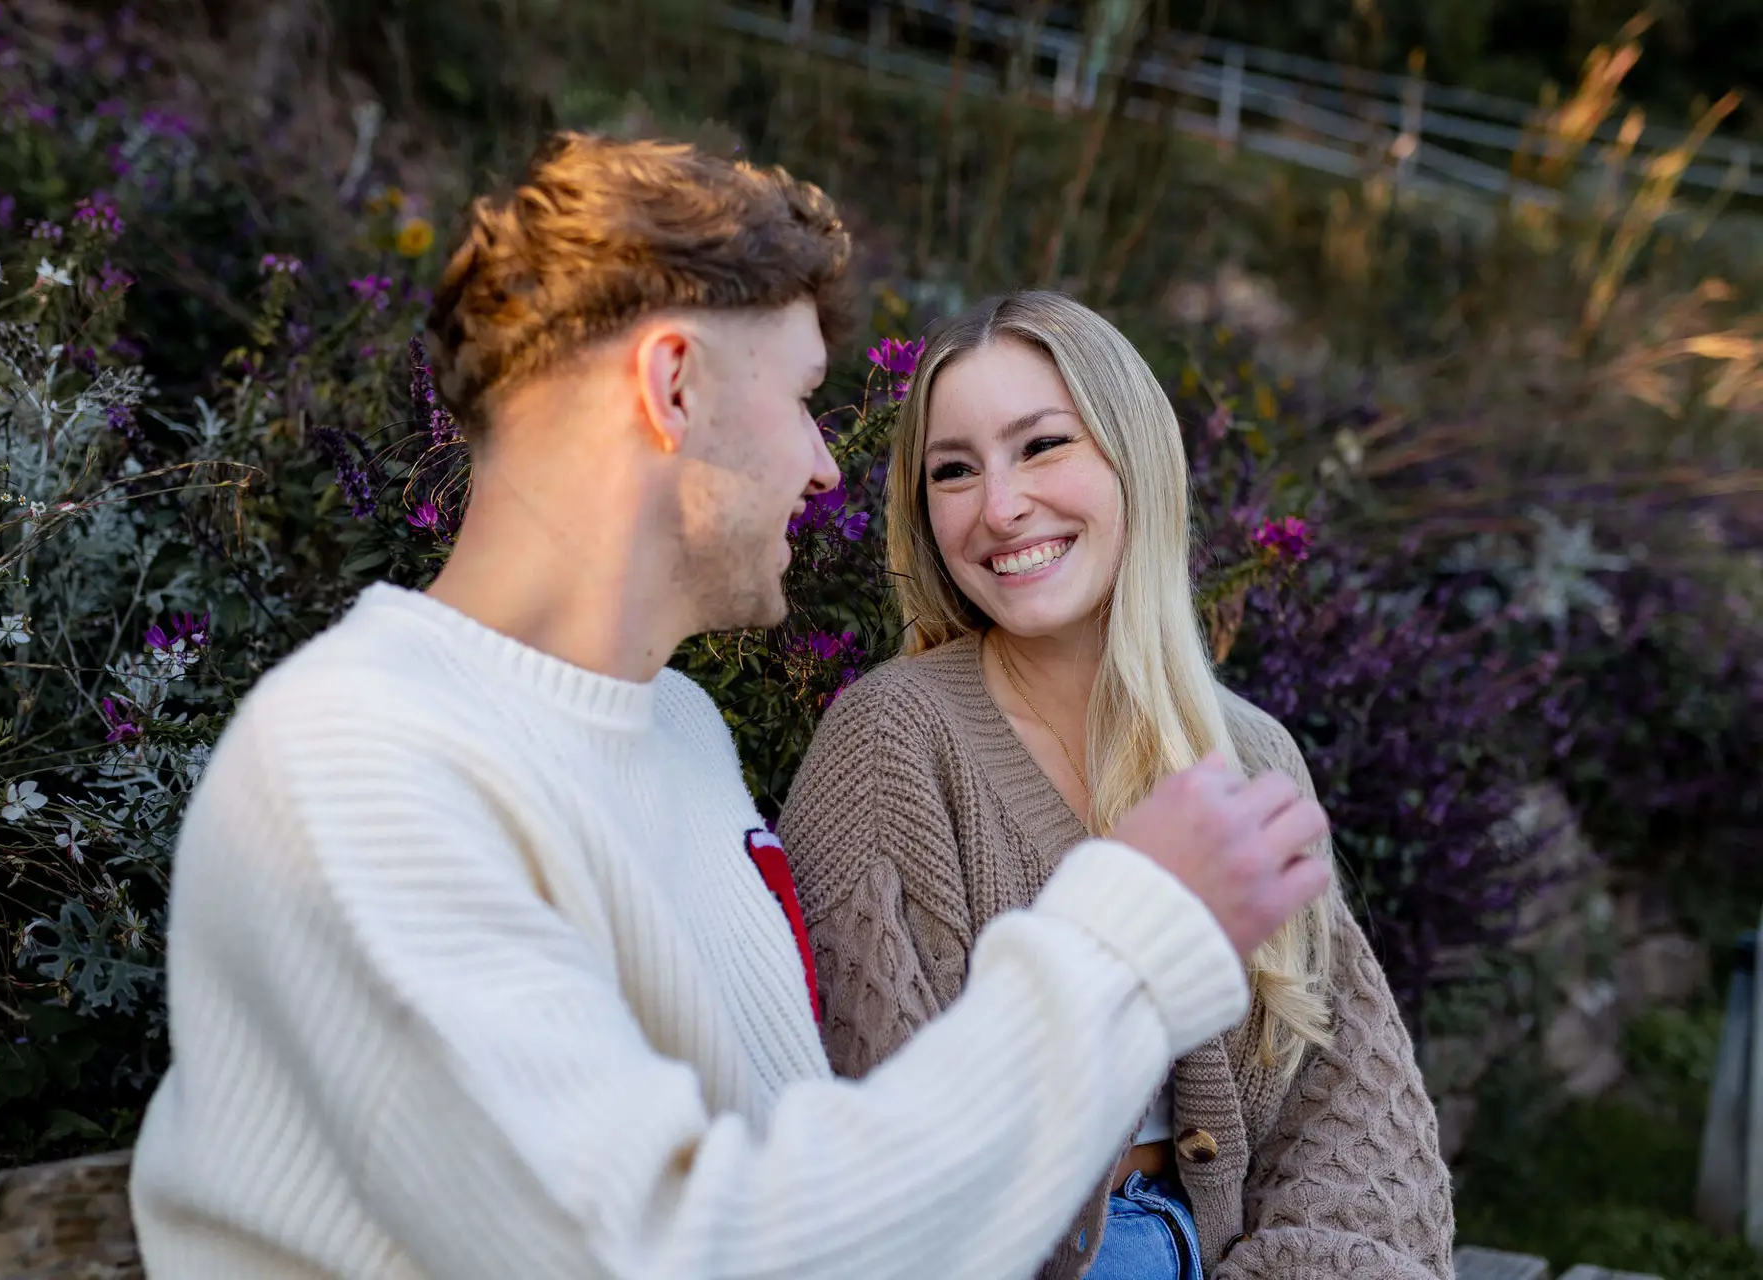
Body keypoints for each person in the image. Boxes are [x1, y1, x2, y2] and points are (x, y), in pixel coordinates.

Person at [127, 135, 1331, 1279]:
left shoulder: (680, 734)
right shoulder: (363, 762)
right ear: (673, 384)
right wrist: (1128, 933)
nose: (826, 462)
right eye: (806, 396)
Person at [781, 291, 1454, 1280]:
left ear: (1134, 457)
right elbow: (893, 1160)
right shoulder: (892, 742)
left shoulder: (1251, 754)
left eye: (1041, 445)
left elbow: (1350, 1120)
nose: (999, 505)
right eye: (954, 470)